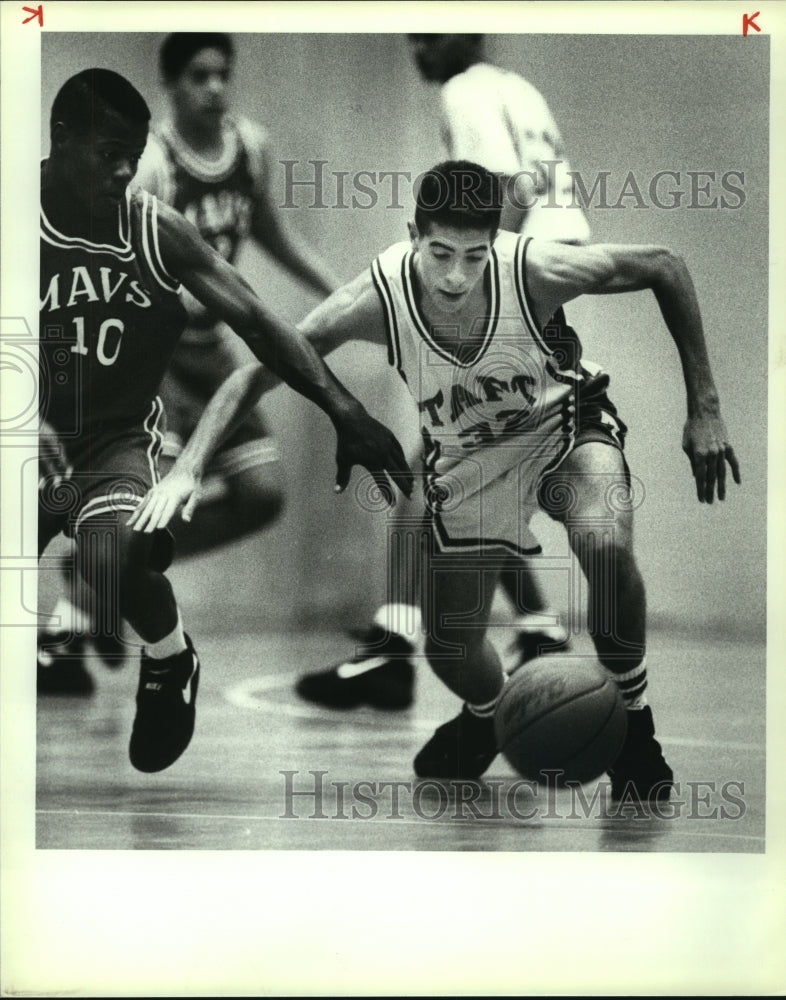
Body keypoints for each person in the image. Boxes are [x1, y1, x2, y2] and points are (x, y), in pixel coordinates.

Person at [132, 160, 740, 801]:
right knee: (451, 652)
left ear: (495, 246)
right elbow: (256, 371)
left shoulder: (530, 267)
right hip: (469, 459)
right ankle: (489, 715)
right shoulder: (381, 294)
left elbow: (665, 264)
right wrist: (189, 467)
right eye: (440, 252)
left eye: (474, 256)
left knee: (604, 545)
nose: (456, 275)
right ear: (413, 234)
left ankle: (636, 721)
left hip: (564, 423)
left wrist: (704, 406)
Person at [37, 68, 412, 772]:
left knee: (117, 551)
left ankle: (169, 659)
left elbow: (260, 319)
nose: (124, 170)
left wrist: (345, 410)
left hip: (114, 441)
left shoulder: (152, 227)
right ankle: (72, 626)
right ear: (61, 139)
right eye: (108, 152)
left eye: (133, 153)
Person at [294, 33, 591, 712]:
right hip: (549, 285)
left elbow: (504, 192)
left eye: (430, 32)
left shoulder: (465, 91)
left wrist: (491, 292)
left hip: (520, 293)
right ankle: (534, 631)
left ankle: (395, 648)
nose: (417, 45)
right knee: (468, 473)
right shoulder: (517, 86)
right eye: (412, 34)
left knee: (437, 468)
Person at [38, 34, 341, 691]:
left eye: (223, 74)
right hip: (161, 356)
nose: (215, 88)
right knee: (147, 507)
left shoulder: (250, 147)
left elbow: (271, 233)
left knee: (263, 496)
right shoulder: (148, 166)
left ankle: (95, 583)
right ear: (170, 85)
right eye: (200, 76)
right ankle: (84, 605)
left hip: (216, 353)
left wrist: (338, 294)